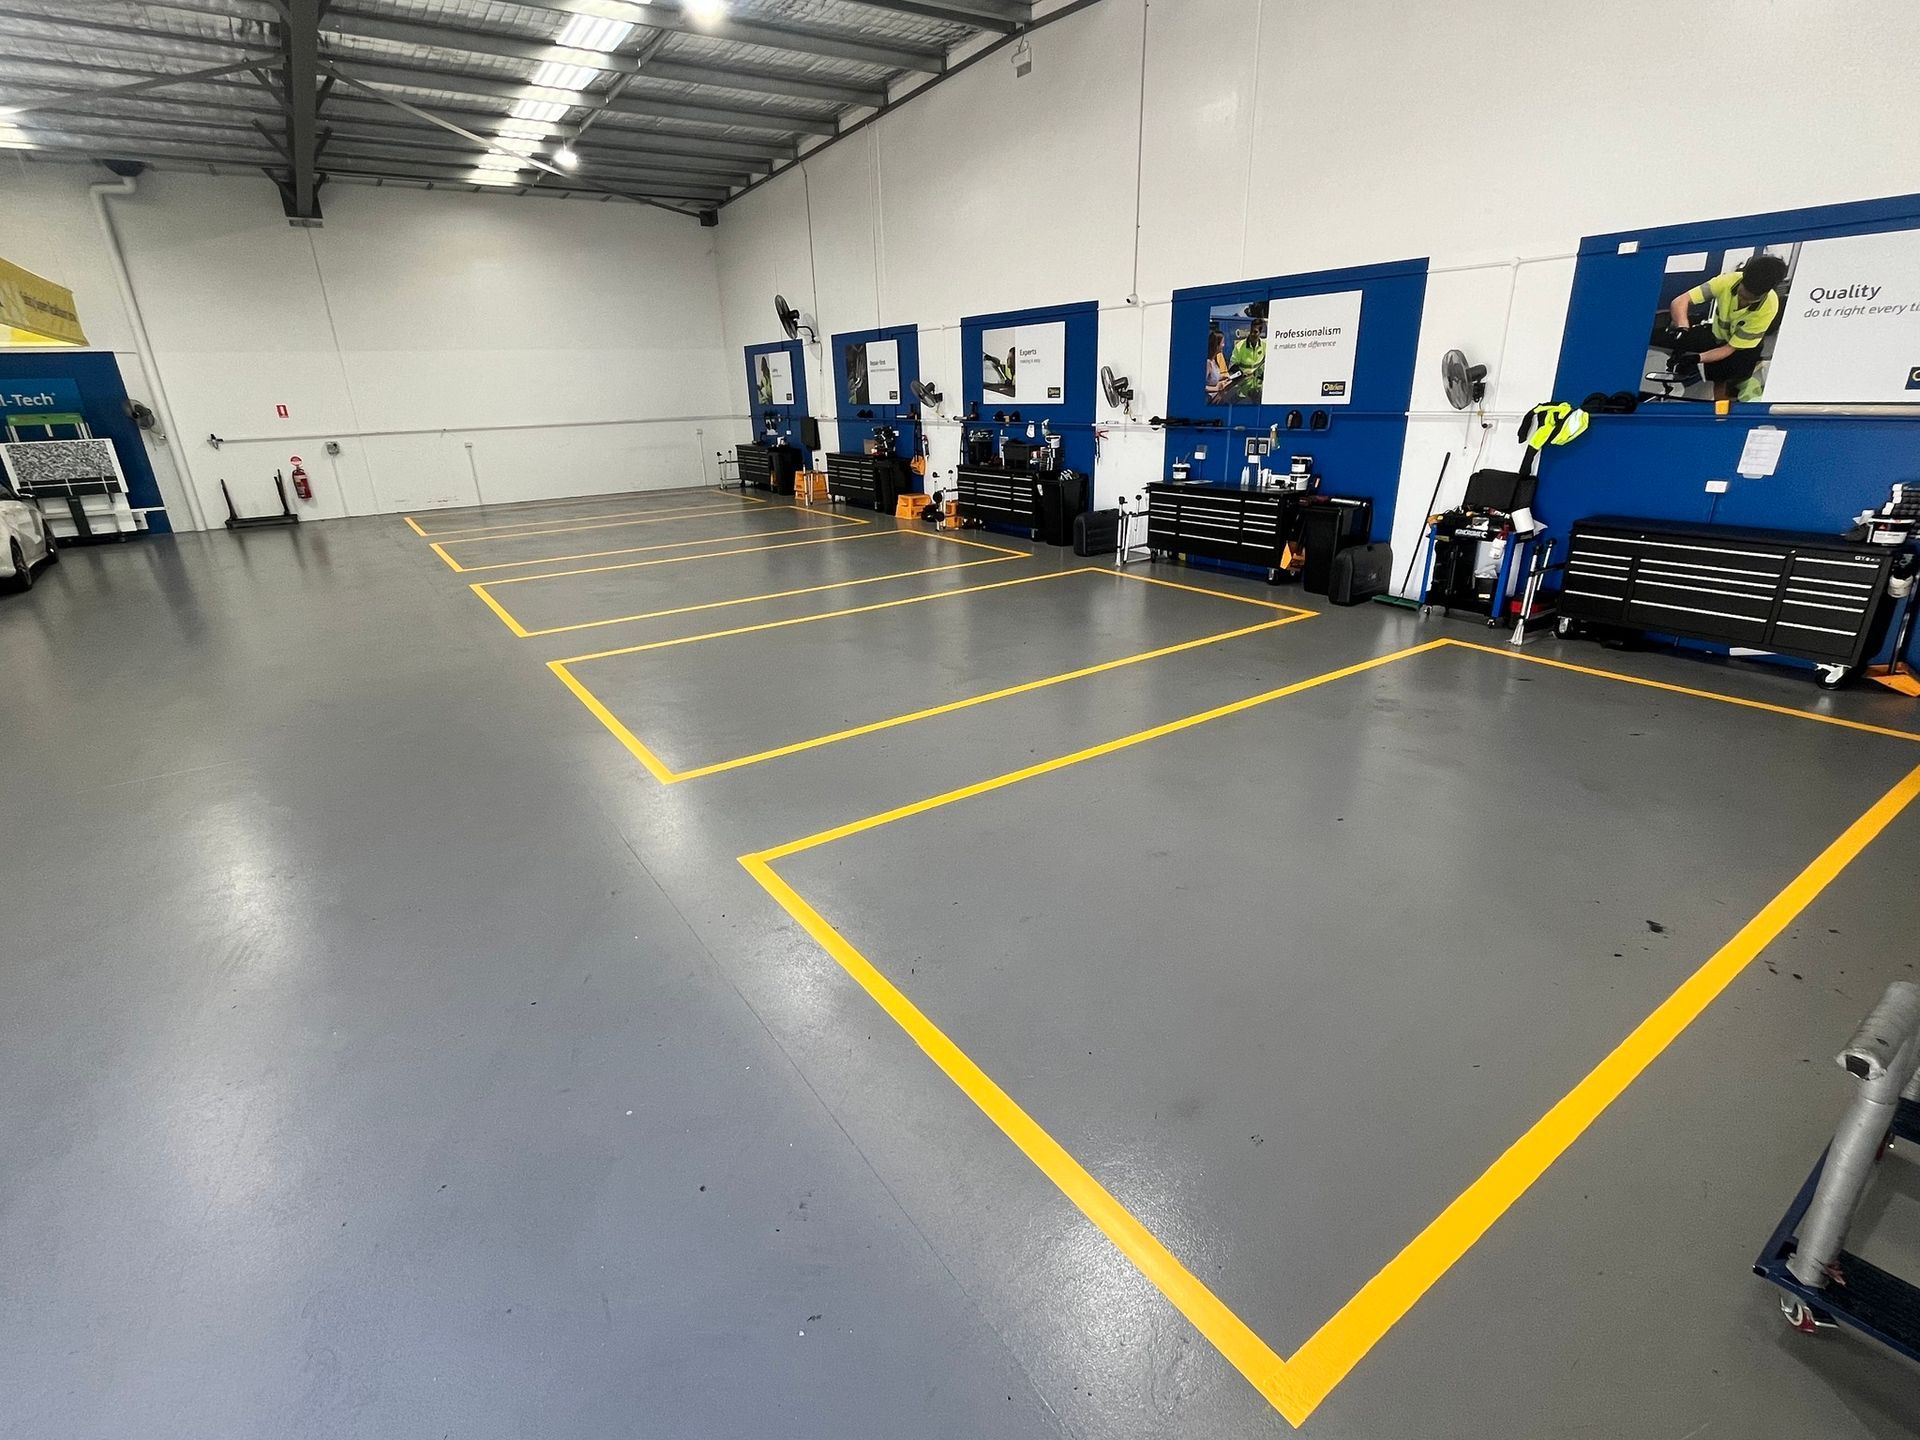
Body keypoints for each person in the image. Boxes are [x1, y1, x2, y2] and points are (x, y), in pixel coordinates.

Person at [1663, 253, 1789, 401]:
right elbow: (1680, 301)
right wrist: (1682, 328)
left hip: (1742, 348)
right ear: (1742, 278)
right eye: (1742, 295)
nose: (1743, 301)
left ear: (1764, 293)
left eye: (1750, 300)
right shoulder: (1727, 281)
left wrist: (1697, 358)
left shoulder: (1769, 307)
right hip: (1718, 337)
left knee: (1731, 387)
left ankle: (1725, 415)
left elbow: (1729, 349)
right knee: (1716, 379)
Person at [1229, 317, 1266, 400]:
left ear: (1260, 332)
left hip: (1257, 388)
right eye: (1251, 331)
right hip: (1241, 387)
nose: (1252, 334)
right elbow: (1232, 366)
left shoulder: (1264, 346)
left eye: (1255, 332)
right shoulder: (1239, 346)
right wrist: (1242, 374)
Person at [1205, 326, 1235, 403]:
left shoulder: (1215, 360)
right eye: (1222, 343)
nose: (1224, 345)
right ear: (1216, 345)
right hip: (1209, 401)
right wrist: (1217, 388)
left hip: (1217, 399)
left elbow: (1212, 378)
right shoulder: (1208, 363)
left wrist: (1223, 377)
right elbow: (1201, 386)